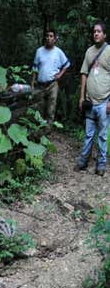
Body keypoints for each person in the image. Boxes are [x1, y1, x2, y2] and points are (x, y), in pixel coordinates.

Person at [77, 21, 110, 176]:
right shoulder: (89, 52)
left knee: (103, 135)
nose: (96, 34)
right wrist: (82, 97)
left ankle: (101, 165)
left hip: (104, 102)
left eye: (99, 31)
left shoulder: (109, 51)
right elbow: (84, 73)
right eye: (94, 31)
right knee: (89, 134)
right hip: (90, 102)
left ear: (104, 34)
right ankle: (83, 161)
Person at [31, 29, 70, 124]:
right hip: (40, 84)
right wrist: (32, 82)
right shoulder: (39, 51)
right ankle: (38, 128)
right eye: (47, 36)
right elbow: (35, 68)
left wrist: (60, 75)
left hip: (53, 84)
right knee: (39, 107)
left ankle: (48, 129)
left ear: (55, 39)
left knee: (51, 108)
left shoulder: (58, 52)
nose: (48, 38)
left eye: (51, 36)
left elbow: (67, 64)